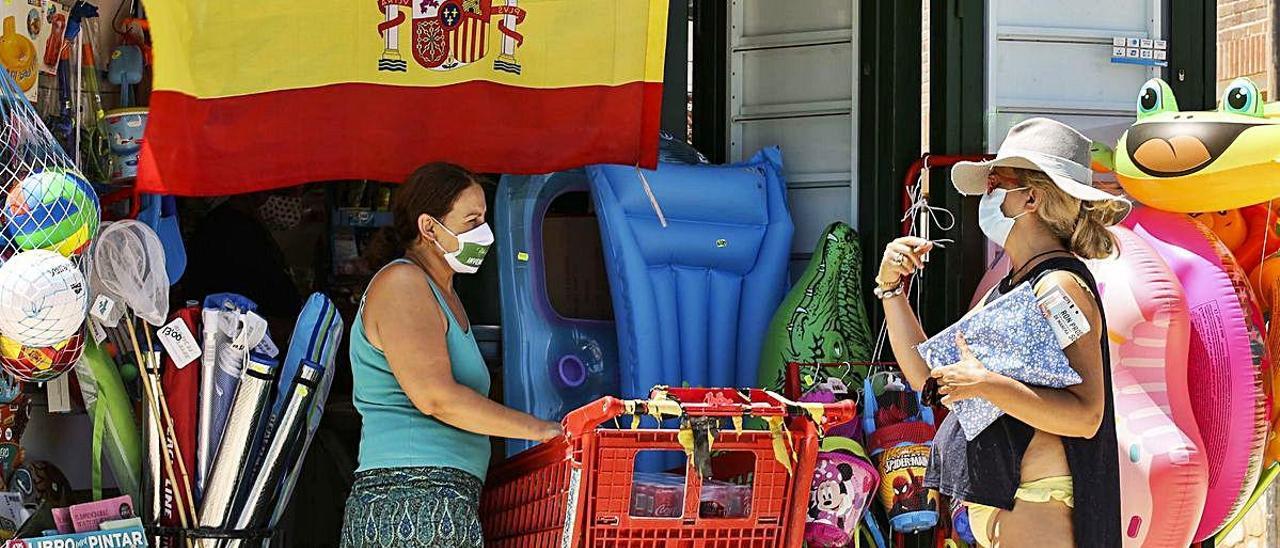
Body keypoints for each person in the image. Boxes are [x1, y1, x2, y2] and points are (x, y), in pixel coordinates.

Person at [876, 119, 1126, 547]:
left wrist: (989, 385)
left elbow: (1087, 416)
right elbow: (928, 379)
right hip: (1009, 505)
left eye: (996, 181)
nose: (986, 193)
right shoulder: (1008, 287)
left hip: (1038, 506)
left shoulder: (1059, 287)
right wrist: (891, 289)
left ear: (1031, 197)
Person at [340, 163, 563, 548]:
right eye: (471, 220)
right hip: (409, 499)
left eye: (484, 219)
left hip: (445, 499)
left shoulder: (445, 296)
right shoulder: (403, 284)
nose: (484, 234)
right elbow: (435, 397)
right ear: (429, 228)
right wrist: (540, 430)